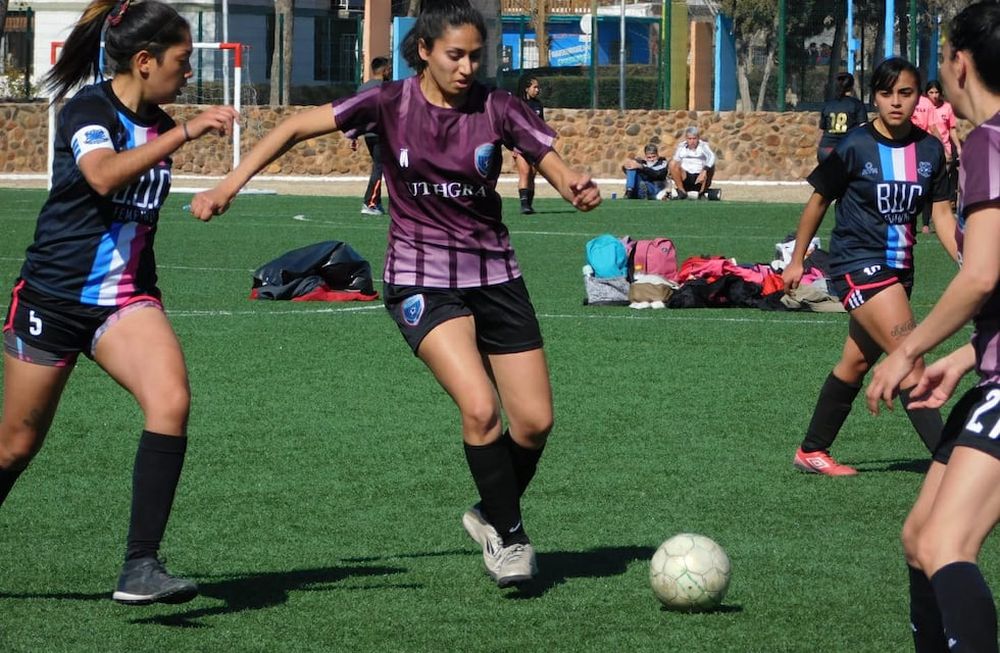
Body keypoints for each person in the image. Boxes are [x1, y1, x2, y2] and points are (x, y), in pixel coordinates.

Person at [189, 0, 600, 587]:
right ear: (425, 51)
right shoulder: (388, 102)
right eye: (454, 55)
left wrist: (574, 186)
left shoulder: (498, 106)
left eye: (476, 56)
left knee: (533, 422)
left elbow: (551, 161)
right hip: (420, 278)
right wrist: (229, 184)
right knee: (480, 408)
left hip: (496, 276)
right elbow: (291, 127)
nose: (466, 67)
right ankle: (511, 538)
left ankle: (490, 511)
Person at [0, 0, 237, 604]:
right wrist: (184, 132)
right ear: (144, 59)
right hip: (52, 299)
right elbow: (103, 175)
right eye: (182, 61)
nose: (189, 73)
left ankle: (140, 566)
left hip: (125, 303)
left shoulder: (157, 123)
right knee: (16, 446)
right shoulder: (87, 108)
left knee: (171, 401)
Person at [865, 4, 1000, 650]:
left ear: (960, 64)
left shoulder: (988, 143)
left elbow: (980, 276)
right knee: (921, 538)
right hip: (992, 372)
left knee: (948, 542)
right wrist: (969, 358)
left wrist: (909, 351)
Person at [782, 56, 957, 477]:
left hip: (900, 270)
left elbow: (942, 216)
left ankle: (812, 451)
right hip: (858, 262)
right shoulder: (856, 145)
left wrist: (969, 261)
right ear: (873, 97)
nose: (895, 102)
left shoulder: (931, 149)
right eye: (886, 93)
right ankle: (954, 460)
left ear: (918, 97)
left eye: (905, 93)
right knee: (911, 360)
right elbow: (818, 200)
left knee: (856, 363)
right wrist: (796, 259)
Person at [922, 79, 963, 233]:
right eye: (931, 92)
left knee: (943, 184)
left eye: (936, 92)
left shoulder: (947, 108)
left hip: (944, 149)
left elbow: (951, 129)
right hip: (927, 150)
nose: (934, 95)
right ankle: (925, 222)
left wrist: (957, 147)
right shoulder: (923, 107)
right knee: (927, 183)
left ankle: (940, 217)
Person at [354, 56, 391, 216]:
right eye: (389, 68)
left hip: (367, 134)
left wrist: (354, 135)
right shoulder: (387, 88)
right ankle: (369, 203)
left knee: (380, 166)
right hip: (381, 133)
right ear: (384, 70)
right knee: (380, 167)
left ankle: (377, 203)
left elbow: (355, 112)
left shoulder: (362, 88)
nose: (390, 71)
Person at [817, 72, 868, 164]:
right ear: (852, 86)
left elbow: (822, 128)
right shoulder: (856, 104)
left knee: (829, 177)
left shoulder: (828, 105)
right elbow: (863, 128)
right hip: (846, 150)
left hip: (825, 149)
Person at [514, 75, 544, 214]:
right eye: (535, 87)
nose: (537, 90)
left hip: (535, 145)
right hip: (520, 144)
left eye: (538, 87)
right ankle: (523, 205)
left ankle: (529, 204)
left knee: (532, 174)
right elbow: (513, 125)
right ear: (526, 88)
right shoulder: (518, 104)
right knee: (525, 172)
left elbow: (541, 125)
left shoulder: (538, 105)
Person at [668, 126, 716, 200]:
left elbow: (711, 156)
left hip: (700, 178)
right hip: (686, 176)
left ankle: (702, 192)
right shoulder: (682, 146)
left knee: (711, 165)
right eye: (690, 139)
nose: (692, 141)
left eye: (694, 138)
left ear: (698, 138)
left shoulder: (703, 145)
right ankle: (682, 191)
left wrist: (704, 170)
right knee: (672, 163)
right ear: (686, 139)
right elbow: (676, 160)